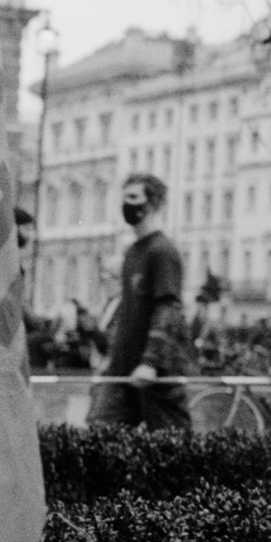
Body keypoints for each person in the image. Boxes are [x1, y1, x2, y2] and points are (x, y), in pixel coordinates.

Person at [90, 172, 194, 428]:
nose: (127, 204)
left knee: (171, 441)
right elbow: (127, 313)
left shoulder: (162, 252)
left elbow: (167, 308)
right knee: (101, 430)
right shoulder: (133, 252)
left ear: (154, 203)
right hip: (124, 368)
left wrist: (150, 362)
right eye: (124, 197)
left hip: (155, 371)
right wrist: (113, 359)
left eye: (134, 197)